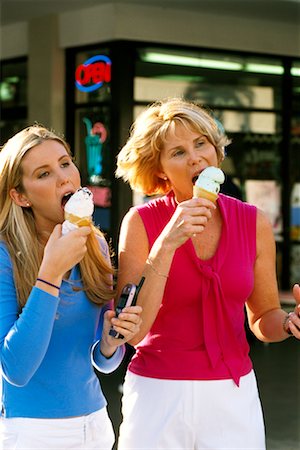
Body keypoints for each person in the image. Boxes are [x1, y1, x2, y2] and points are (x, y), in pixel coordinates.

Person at [115, 98, 300, 450]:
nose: (195, 157)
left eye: (201, 144)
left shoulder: (254, 221)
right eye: (178, 152)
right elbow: (133, 332)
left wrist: (290, 323)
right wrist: (167, 243)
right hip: (157, 392)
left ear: (216, 152)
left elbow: (263, 318)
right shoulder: (140, 223)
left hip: (233, 394)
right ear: (160, 171)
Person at [0, 125, 142, 450]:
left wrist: (109, 342)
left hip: (95, 425)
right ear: (20, 196)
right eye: (44, 173)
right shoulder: (5, 254)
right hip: (29, 431)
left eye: (65, 163)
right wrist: (51, 271)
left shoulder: (94, 245)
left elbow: (103, 361)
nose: (64, 177)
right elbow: (16, 369)